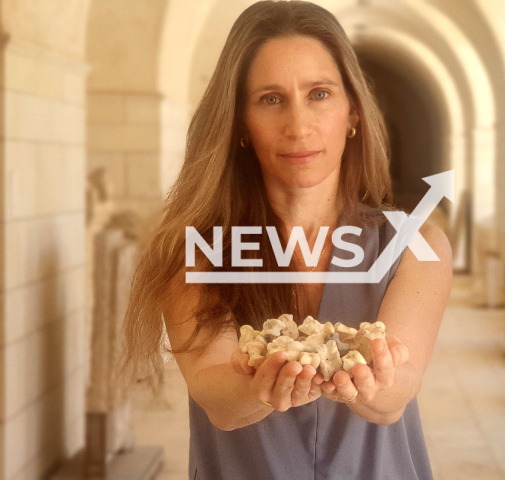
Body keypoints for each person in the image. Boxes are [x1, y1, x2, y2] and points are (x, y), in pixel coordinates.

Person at [120, 1, 452, 479]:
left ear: (352, 112)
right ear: (239, 125)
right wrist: (262, 383)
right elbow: (217, 397)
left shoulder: (417, 243)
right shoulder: (193, 250)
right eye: (271, 99)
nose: (298, 127)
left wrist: (371, 382)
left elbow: (394, 397)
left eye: (319, 94)